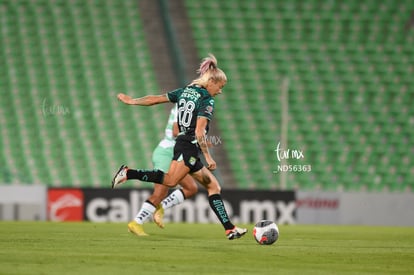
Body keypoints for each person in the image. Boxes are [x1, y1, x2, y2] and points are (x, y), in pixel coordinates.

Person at [112, 54, 247, 240]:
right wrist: (208, 157)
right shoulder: (207, 100)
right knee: (169, 181)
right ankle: (129, 173)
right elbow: (200, 132)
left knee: (213, 186)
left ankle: (230, 229)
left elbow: (156, 99)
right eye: (220, 86)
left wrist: (133, 101)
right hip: (189, 146)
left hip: (184, 144)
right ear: (212, 81)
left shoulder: (185, 91)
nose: (220, 91)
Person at [112, 106, 198, 236]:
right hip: (167, 153)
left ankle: (161, 206)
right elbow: (176, 132)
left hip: (175, 154)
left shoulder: (190, 107)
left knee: (191, 188)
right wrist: (198, 139)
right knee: (159, 193)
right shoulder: (184, 106)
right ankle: (136, 222)